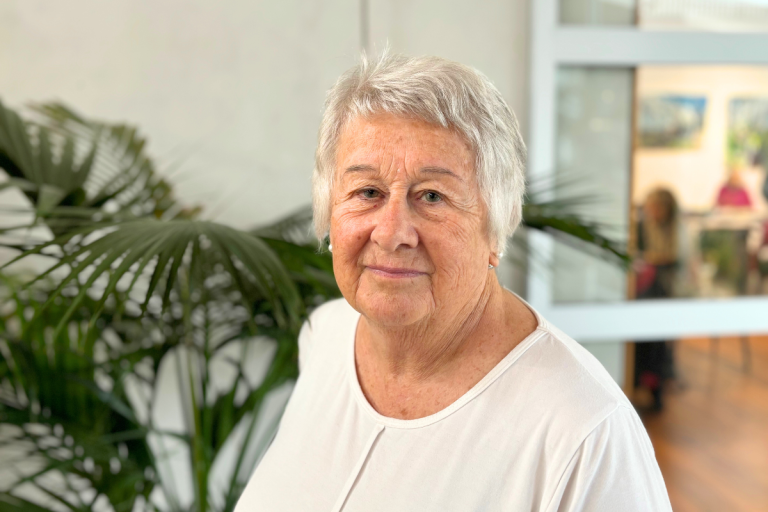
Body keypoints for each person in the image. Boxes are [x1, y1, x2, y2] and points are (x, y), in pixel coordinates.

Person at [235, 53, 672, 511]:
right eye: (368, 192)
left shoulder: (584, 433)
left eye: (432, 196)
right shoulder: (324, 335)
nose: (391, 233)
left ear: (495, 228)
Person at [634, 188, 680, 411]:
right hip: (646, 294)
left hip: (662, 294)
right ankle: (647, 385)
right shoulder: (641, 228)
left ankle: (655, 388)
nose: (650, 211)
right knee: (648, 342)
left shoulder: (676, 231)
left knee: (656, 343)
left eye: (654, 207)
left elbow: (676, 260)